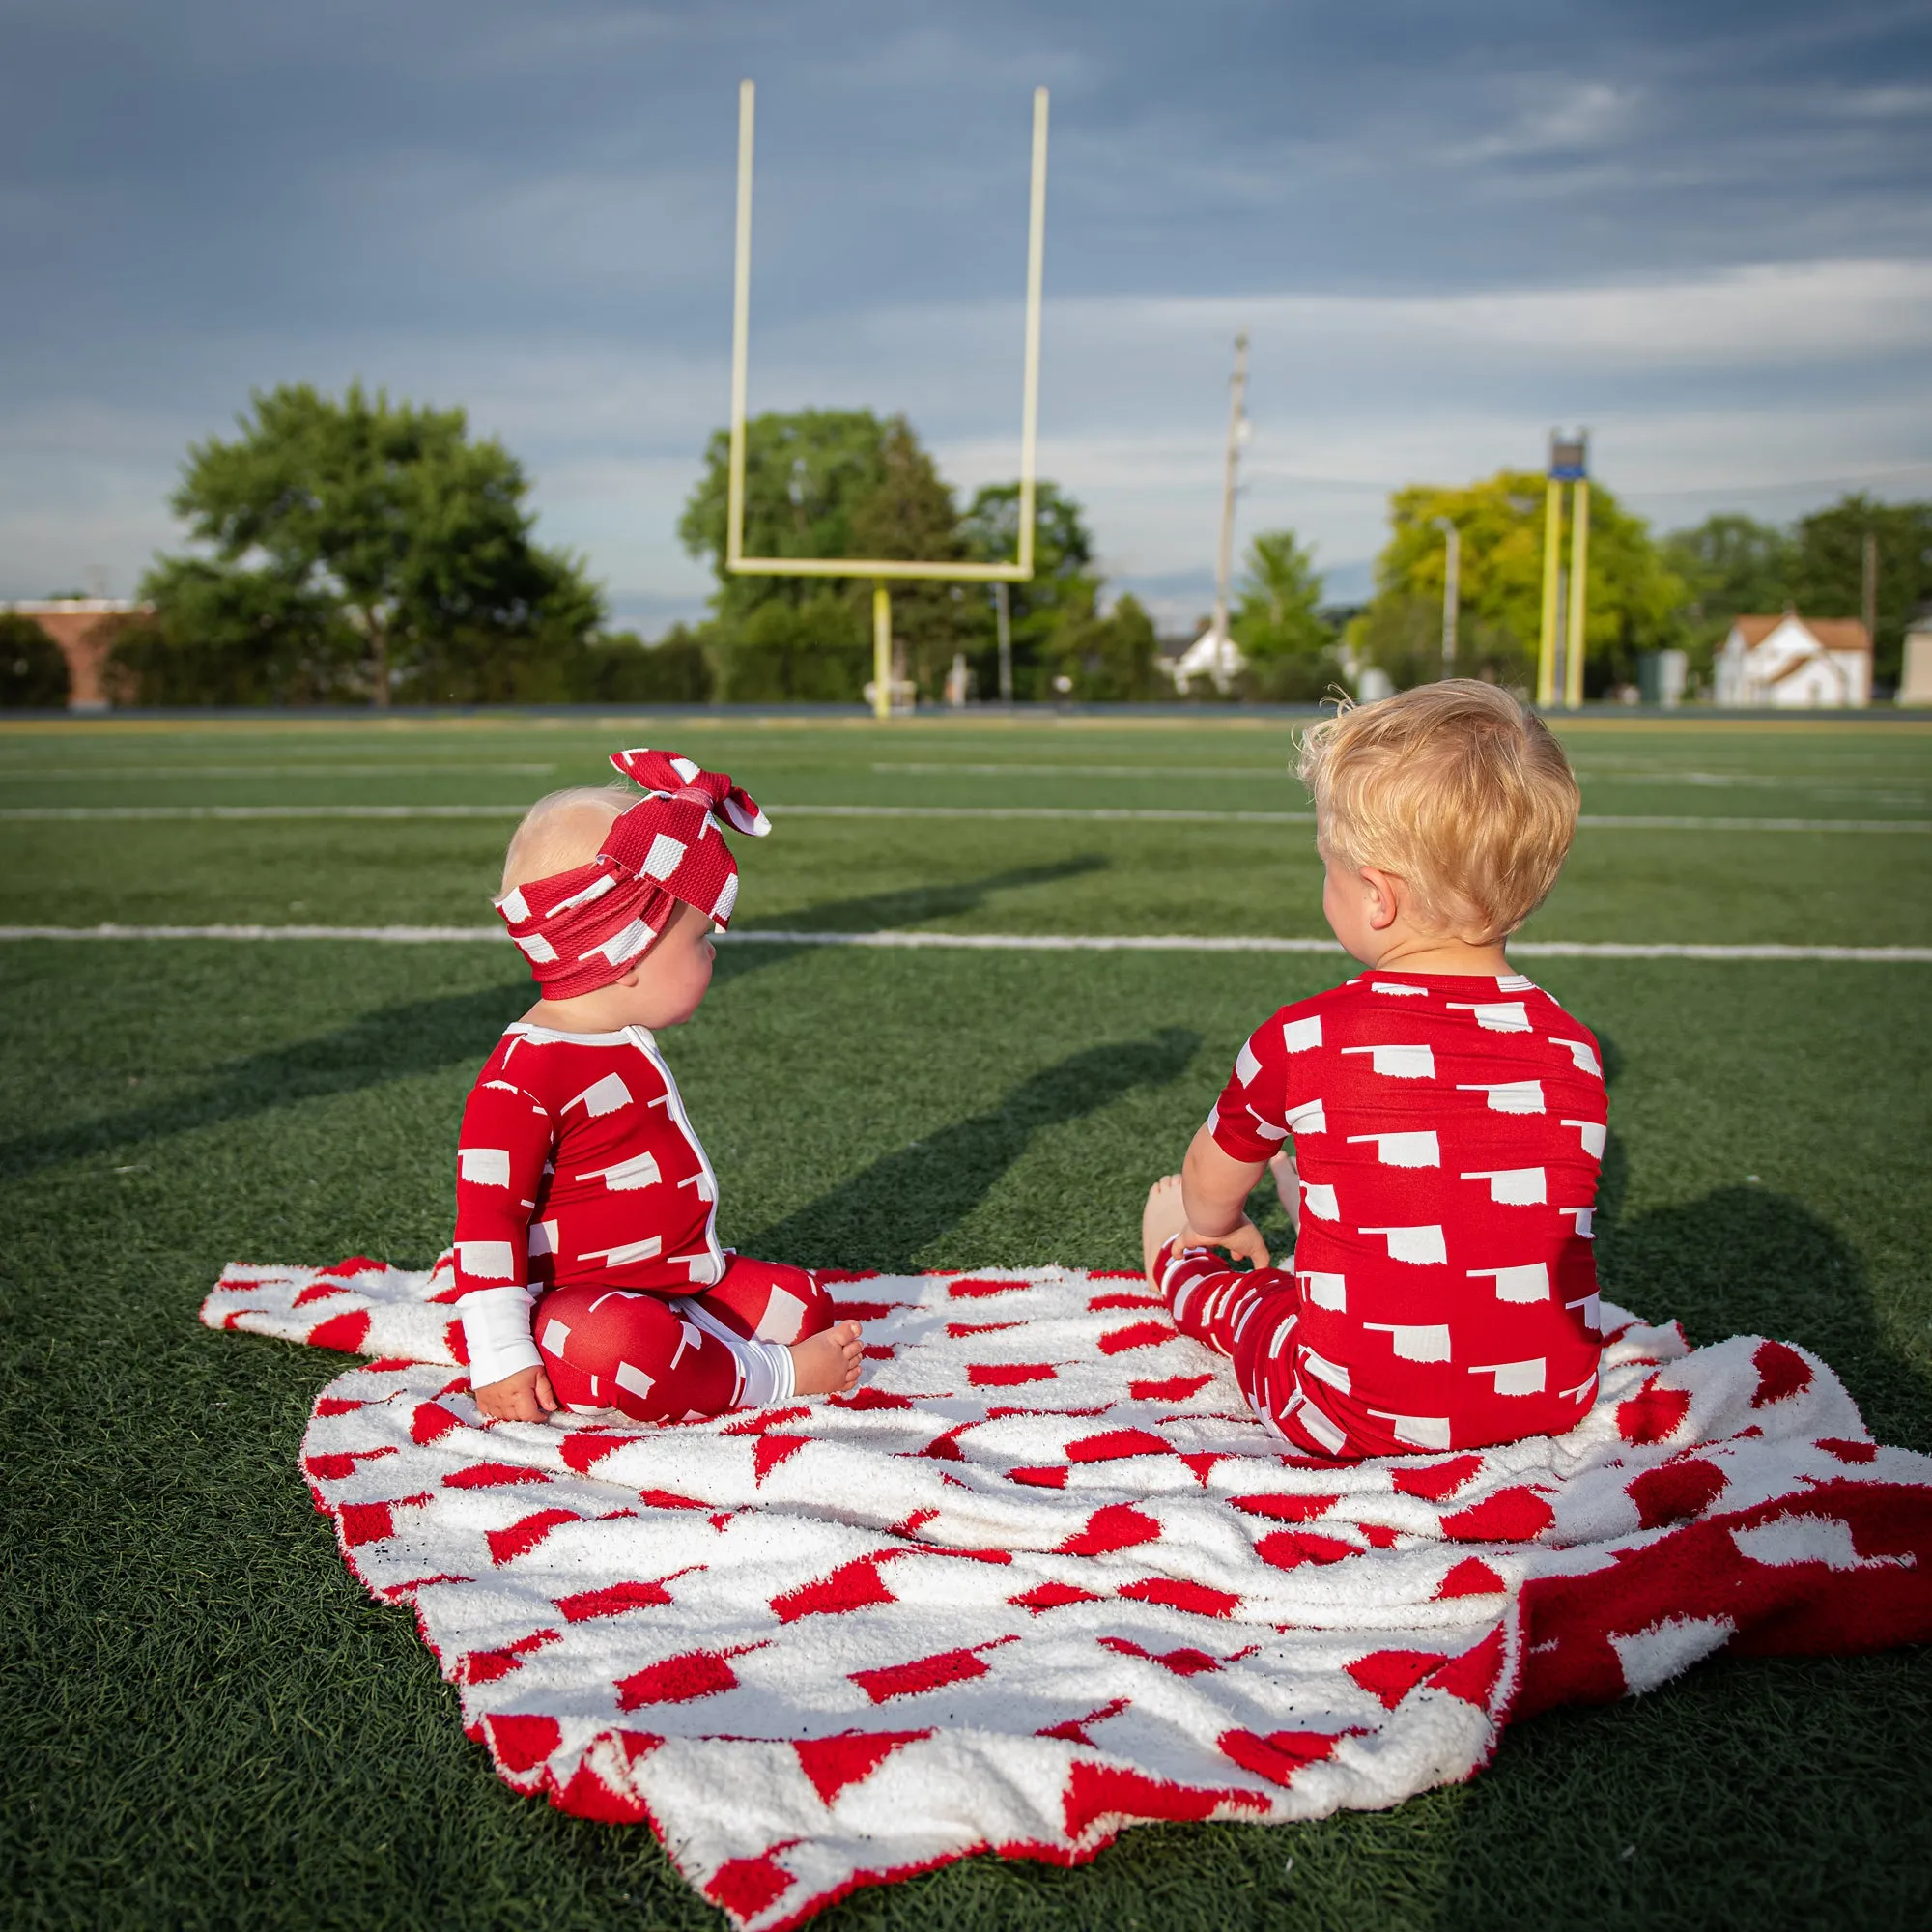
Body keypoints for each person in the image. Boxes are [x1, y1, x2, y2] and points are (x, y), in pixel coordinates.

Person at [1140, 681, 1606, 1459]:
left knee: (1246, 1295)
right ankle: (1329, 1199)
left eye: (1331, 867)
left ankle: (1177, 1268)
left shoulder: (1303, 1037)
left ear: (1377, 899)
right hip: (1554, 1394)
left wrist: (1206, 1228)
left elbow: (1209, 1177)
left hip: (1351, 1411)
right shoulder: (1573, 1045)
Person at [451, 748, 863, 1425]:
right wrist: (500, 1354)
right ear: (625, 952)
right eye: (701, 938)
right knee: (620, 1346)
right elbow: (487, 1223)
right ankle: (769, 1377)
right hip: (579, 1303)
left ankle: (699, 1352)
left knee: (803, 1302)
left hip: (673, 1276)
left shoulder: (620, 1039)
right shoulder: (522, 1077)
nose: (713, 953)